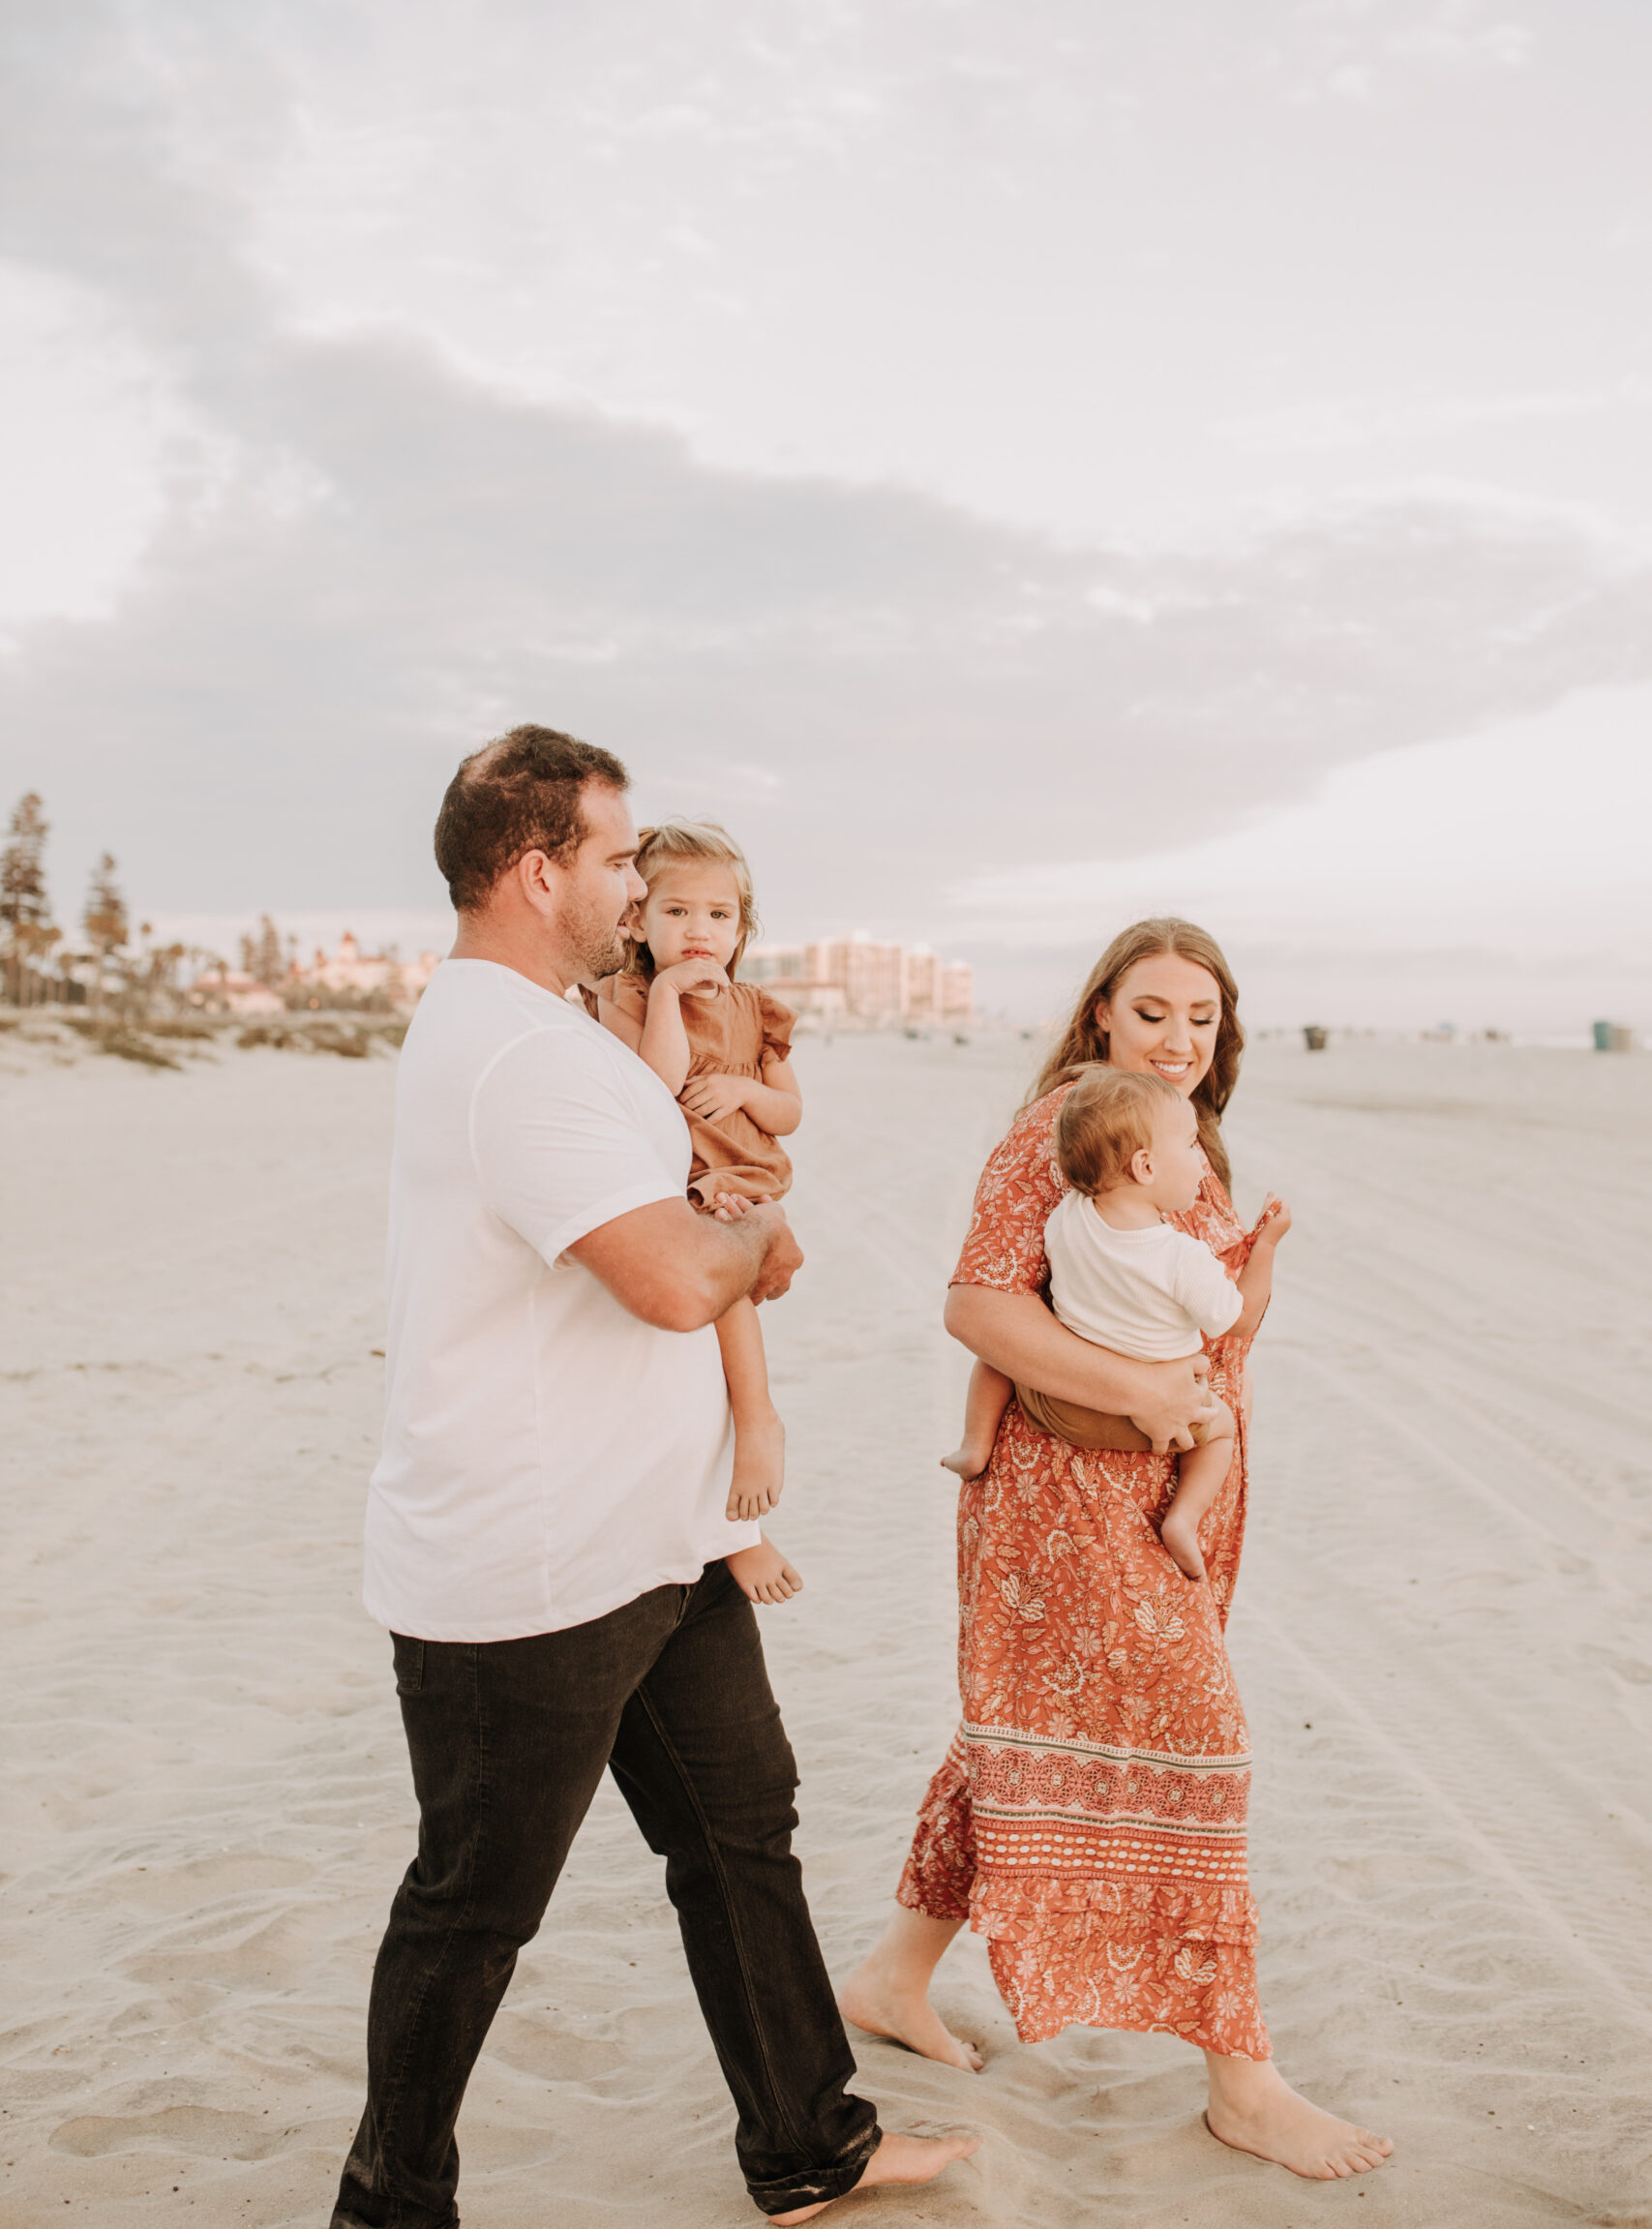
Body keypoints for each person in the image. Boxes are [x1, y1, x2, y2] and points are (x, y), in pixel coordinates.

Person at [329, 725, 976, 2229]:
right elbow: (676, 1279)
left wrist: (735, 1239)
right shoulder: (518, 1055)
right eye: (619, 857)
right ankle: (387, 2205)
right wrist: (759, 1240)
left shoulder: (546, 1032)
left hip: (657, 1541)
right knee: (473, 1908)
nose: (637, 884)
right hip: (532, 1566)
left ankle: (805, 2143)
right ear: (538, 867)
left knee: (742, 1828)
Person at [839, 918, 1394, 2184]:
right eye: (1152, 1012)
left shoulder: (1182, 1150)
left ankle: (890, 1975)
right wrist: (1145, 1401)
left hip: (1154, 1490)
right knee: (1199, 1741)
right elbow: (974, 1302)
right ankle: (1242, 2086)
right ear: (1098, 1017)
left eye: (1200, 1017)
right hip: (1064, 1497)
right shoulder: (1059, 1131)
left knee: (1018, 1724)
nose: (1179, 1039)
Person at [941, 1063, 1291, 1582]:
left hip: (1049, 1401)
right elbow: (1237, 1320)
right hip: (1139, 1420)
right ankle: (1183, 1519)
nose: (1201, 1161)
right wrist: (1266, 1247)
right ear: (1146, 1167)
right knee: (1222, 1431)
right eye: (1192, 1147)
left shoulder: (1067, 1215)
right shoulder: (1181, 1256)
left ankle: (975, 1444)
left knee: (997, 1358)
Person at [588, 819, 802, 1607]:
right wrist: (672, 997)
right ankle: (749, 1450)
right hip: (673, 1181)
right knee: (696, 1346)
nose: (699, 931)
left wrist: (748, 1091)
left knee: (728, 1311)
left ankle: (756, 1430)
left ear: (742, 927)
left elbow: (788, 1113)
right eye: (677, 912)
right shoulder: (626, 997)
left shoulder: (757, 1009)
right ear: (637, 920)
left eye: (719, 915)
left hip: (737, 1177)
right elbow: (656, 1083)